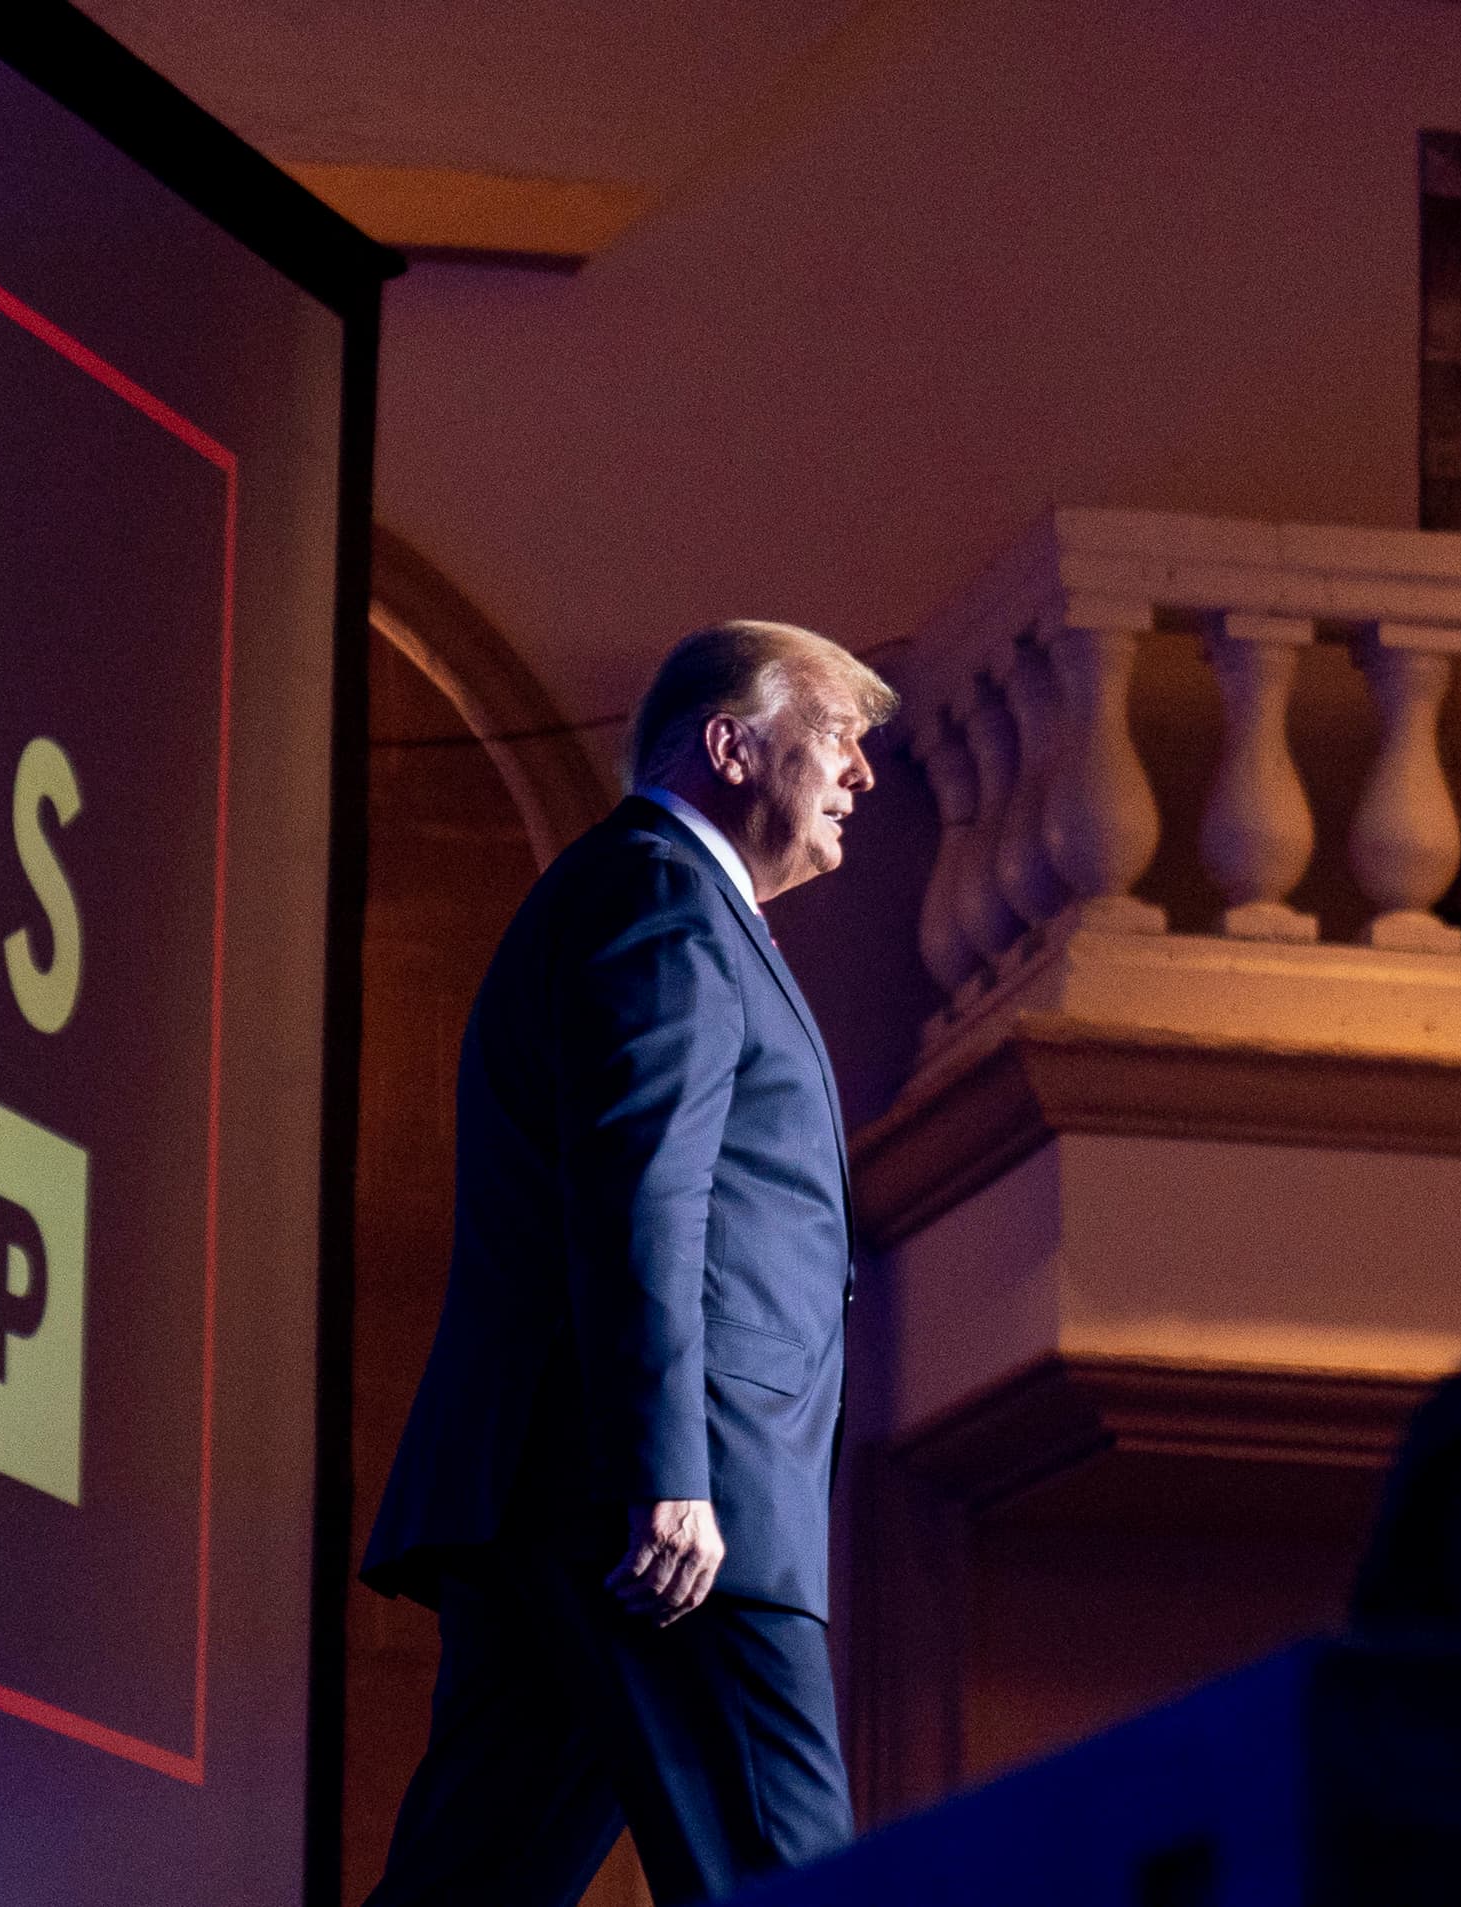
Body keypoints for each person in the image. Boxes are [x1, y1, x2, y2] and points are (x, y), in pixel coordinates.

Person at [360, 619, 898, 1905]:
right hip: (667, 1506)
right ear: (730, 745)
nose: (862, 773)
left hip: (571, 1496)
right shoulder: (661, 894)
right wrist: (667, 1469)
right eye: (835, 735)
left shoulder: (650, 896)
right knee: (788, 1872)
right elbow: (641, 1191)